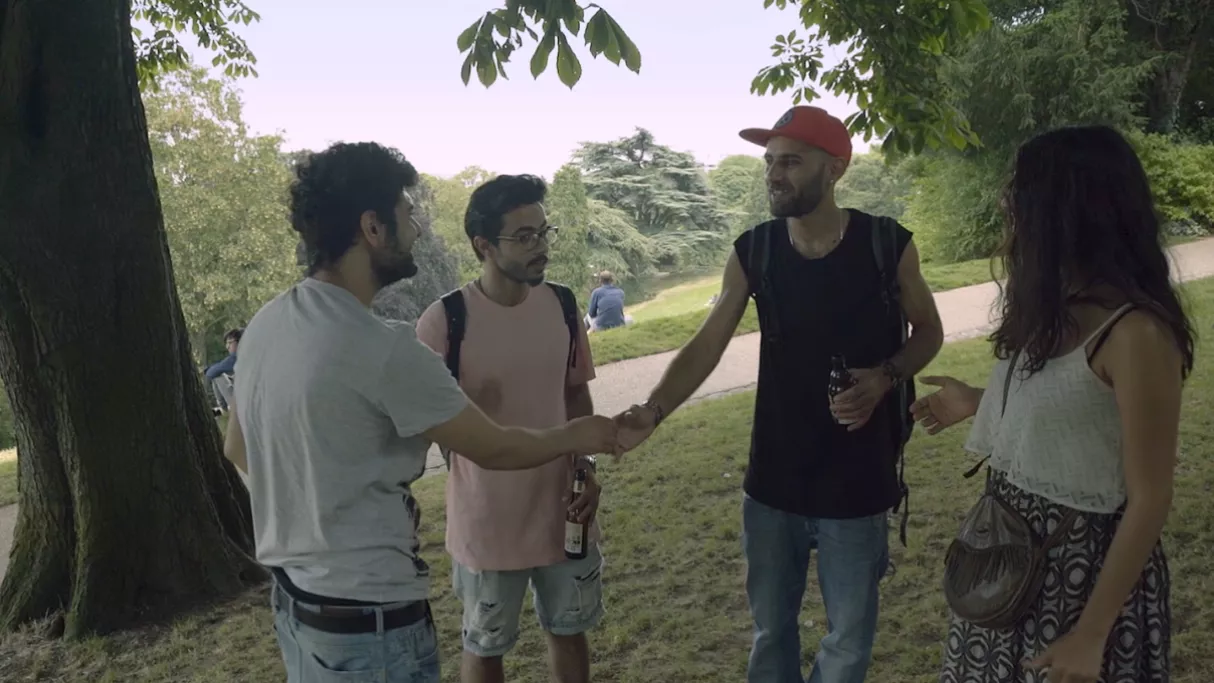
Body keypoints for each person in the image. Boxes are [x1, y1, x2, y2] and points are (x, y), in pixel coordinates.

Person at [221, 143, 618, 683]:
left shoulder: (266, 324)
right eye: (408, 214)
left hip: (298, 604)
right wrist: (583, 434)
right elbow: (496, 448)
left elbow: (237, 448)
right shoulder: (386, 347)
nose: (417, 230)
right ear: (373, 227)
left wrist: (320, 504)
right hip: (373, 621)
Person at [615, 105, 945, 683]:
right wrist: (654, 409)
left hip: (860, 477)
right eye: (769, 162)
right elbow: (707, 342)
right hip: (774, 480)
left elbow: (931, 332)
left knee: (848, 640)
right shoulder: (756, 251)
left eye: (790, 162)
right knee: (771, 632)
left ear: (834, 168)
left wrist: (885, 376)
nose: (773, 174)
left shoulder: (886, 244)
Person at [912, 125, 1189, 683]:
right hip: (1005, 562)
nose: (1005, 204)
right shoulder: (1055, 311)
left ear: (1066, 210)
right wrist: (978, 401)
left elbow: (1150, 497)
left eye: (1019, 190)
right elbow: (1074, 409)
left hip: (1080, 575)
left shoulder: (1135, 333)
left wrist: (1091, 633)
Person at [416, 174, 604, 683]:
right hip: (486, 524)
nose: (540, 246)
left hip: (563, 512)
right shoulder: (445, 322)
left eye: (543, 232)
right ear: (484, 246)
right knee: (485, 646)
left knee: (569, 632)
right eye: (524, 237)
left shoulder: (563, 306)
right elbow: (428, 425)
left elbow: (575, 395)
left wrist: (586, 466)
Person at [204, 328, 242, 413]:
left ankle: (224, 409)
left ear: (239, 342)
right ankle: (223, 409)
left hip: (242, 403)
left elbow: (210, 373)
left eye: (230, 343)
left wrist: (208, 369)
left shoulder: (236, 357)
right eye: (226, 344)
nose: (227, 347)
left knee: (217, 375)